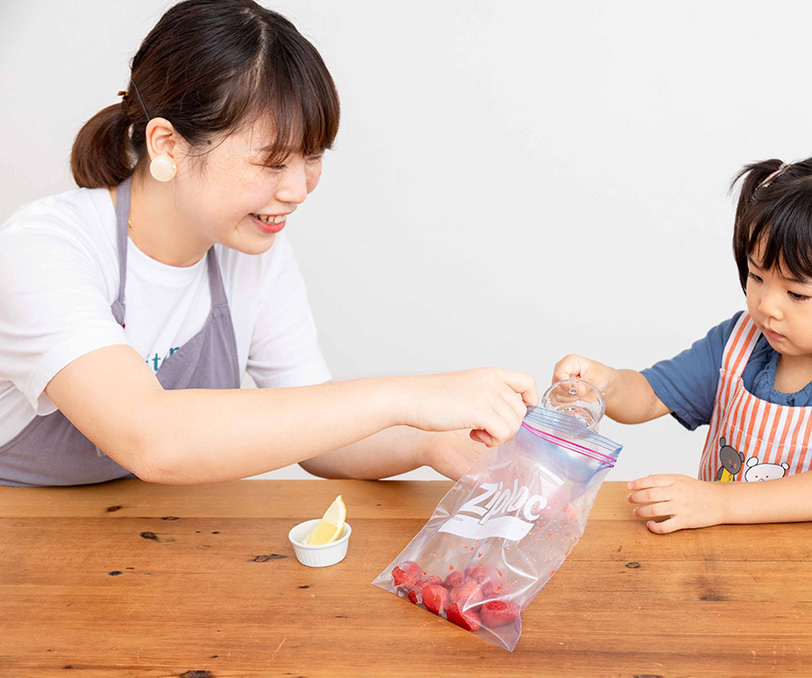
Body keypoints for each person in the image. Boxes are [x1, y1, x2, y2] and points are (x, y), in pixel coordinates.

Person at [0, 0, 536, 487]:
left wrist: (430, 440)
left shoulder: (249, 250)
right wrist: (407, 395)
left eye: (313, 156)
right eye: (272, 161)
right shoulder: (44, 249)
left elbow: (326, 438)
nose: (298, 189)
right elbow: (153, 439)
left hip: (143, 536)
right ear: (167, 145)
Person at [552, 154, 812, 533]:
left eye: (797, 294)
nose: (766, 307)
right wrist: (605, 385)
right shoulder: (739, 342)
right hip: (724, 570)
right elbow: (648, 395)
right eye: (756, 277)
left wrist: (718, 503)